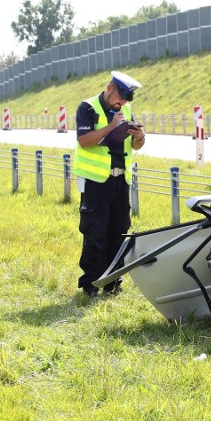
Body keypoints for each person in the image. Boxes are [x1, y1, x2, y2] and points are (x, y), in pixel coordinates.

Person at [74, 71, 146, 299]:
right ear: (109, 88)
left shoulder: (125, 110)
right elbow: (84, 142)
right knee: (95, 233)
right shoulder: (87, 108)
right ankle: (91, 284)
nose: (122, 103)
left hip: (120, 180)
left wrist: (140, 137)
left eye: (126, 100)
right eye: (121, 97)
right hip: (95, 182)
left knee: (119, 232)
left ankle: (114, 283)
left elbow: (134, 147)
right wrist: (112, 125)